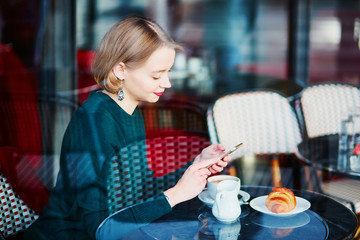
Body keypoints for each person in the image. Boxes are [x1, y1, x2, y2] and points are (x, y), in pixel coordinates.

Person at [24, 15, 231, 240]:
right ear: (120, 70)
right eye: (156, 75)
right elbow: (99, 229)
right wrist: (175, 195)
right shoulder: (94, 122)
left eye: (167, 72)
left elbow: (139, 188)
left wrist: (196, 167)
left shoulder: (131, 110)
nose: (167, 83)